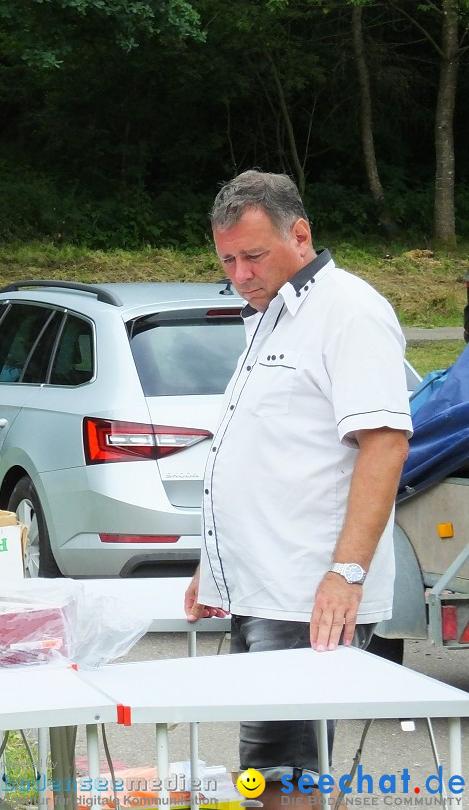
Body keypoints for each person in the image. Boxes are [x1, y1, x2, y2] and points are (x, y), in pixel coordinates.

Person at [184, 171, 412, 806]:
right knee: (267, 769)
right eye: (227, 259)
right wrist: (214, 566)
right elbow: (264, 454)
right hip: (259, 589)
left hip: (307, 596)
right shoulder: (270, 317)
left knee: (286, 774)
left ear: (301, 234)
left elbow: (386, 442)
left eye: (253, 256)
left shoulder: (350, 311)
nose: (240, 274)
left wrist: (346, 571)